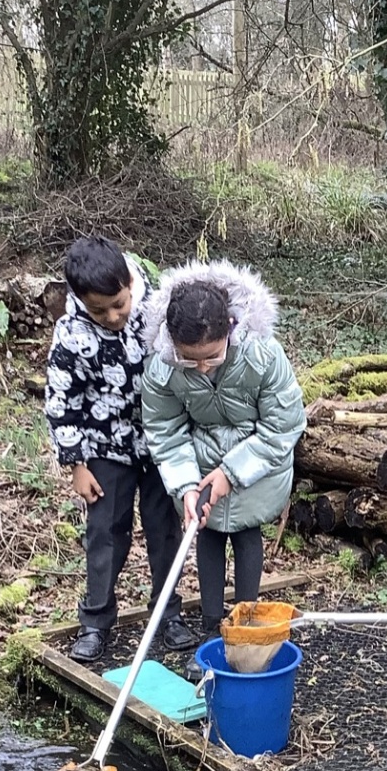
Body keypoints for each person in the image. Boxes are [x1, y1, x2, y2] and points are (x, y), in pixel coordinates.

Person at [44, 236, 197, 663]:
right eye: (100, 311)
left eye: (118, 304)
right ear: (80, 300)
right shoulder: (70, 334)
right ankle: (95, 621)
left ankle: (167, 613)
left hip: (160, 442)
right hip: (104, 448)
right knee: (106, 532)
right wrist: (75, 463)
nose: (113, 317)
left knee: (165, 530)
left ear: (130, 284)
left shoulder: (157, 312)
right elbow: (61, 401)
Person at [139, 260, 305, 634]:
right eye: (190, 359)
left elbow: (283, 425)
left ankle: (244, 622)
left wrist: (232, 472)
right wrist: (185, 485)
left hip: (257, 460)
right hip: (199, 461)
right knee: (208, 532)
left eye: (212, 356)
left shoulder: (263, 354)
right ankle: (212, 624)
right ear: (170, 339)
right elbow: (164, 430)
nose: (202, 368)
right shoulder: (163, 366)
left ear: (230, 328)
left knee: (247, 533)